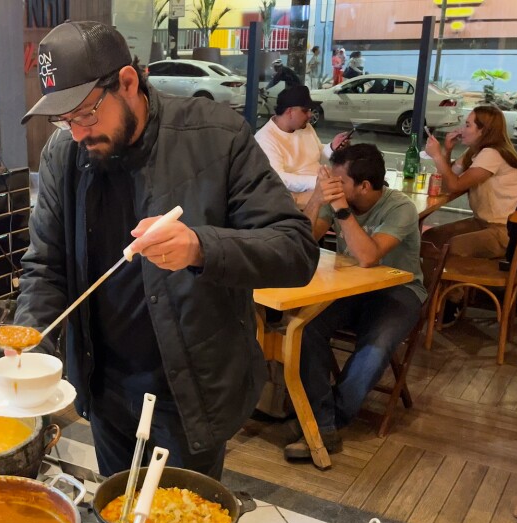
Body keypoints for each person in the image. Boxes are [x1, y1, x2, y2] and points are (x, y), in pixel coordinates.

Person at [16, 21, 319, 478]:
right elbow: (46, 265)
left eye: (86, 115)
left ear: (128, 82)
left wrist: (200, 247)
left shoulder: (216, 137)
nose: (77, 133)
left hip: (191, 391)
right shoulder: (64, 154)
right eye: (64, 120)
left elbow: (296, 250)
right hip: (104, 386)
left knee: (183, 519)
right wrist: (30, 339)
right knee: (118, 512)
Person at [286, 144, 425, 460]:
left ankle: (324, 423)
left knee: (375, 348)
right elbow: (302, 242)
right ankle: (321, 423)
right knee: (304, 328)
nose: (332, 186)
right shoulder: (338, 200)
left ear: (363, 186)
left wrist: (340, 209)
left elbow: (368, 256)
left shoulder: (400, 208)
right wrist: (318, 199)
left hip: (400, 290)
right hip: (350, 288)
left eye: (339, 181)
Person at [423, 105, 517, 322]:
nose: (462, 129)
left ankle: (451, 302)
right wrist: (447, 151)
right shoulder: (475, 153)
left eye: (468, 125)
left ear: (483, 130)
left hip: (508, 231)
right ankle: (432, 297)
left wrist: (437, 155)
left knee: (453, 246)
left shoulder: (492, 154)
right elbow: (447, 183)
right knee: (431, 238)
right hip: (485, 222)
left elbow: (454, 185)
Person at [255, 85, 353, 209]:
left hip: (321, 185)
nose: (310, 114)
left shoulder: (305, 127)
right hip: (298, 198)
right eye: (305, 110)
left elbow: (317, 155)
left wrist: (333, 147)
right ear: (290, 111)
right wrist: (316, 181)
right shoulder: (265, 139)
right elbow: (279, 178)